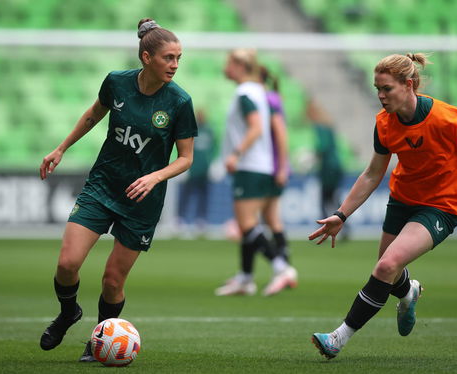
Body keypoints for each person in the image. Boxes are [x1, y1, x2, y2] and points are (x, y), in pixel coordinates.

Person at [308, 53, 457, 360]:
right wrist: (342, 214)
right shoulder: (384, 124)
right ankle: (409, 294)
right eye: (377, 89)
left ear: (408, 85)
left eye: (387, 89)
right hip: (402, 200)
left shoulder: (445, 118)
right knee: (389, 269)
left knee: (384, 266)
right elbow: (372, 174)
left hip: (440, 206)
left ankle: (337, 338)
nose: (380, 96)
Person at [38, 18, 197, 362]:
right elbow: (94, 113)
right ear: (146, 57)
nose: (175, 65)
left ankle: (98, 344)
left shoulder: (180, 102)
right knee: (67, 264)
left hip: (142, 200)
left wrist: (155, 177)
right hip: (103, 185)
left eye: (178, 58)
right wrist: (61, 148)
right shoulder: (117, 83)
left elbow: (185, 159)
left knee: (112, 281)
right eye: (169, 58)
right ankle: (68, 313)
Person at [215, 49, 296, 297]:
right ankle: (246, 278)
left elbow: (257, 128)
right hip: (261, 165)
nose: (225, 66)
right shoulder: (260, 92)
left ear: (239, 65)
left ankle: (282, 268)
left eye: (228, 61)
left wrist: (236, 154)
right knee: (258, 222)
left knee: (247, 224)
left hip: (250, 166)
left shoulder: (244, 94)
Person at [258, 65, 298, 296]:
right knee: (272, 219)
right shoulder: (271, 97)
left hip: (271, 167)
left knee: (254, 221)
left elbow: (280, 133)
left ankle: (282, 269)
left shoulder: (267, 99)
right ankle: (283, 270)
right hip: (273, 166)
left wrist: (282, 166)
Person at [176, 108, 216, 236]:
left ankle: (201, 220)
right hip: (191, 169)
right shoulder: (191, 130)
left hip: (204, 170)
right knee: (186, 195)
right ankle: (181, 219)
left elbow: (215, 148)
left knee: (203, 196)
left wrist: (214, 164)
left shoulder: (209, 131)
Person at [307, 99, 346, 222]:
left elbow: (323, 147)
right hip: (336, 166)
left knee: (324, 199)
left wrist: (312, 156)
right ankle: (343, 223)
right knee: (333, 198)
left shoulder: (319, 128)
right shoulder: (328, 126)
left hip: (328, 168)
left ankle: (324, 225)